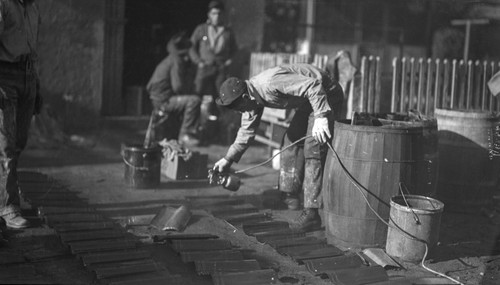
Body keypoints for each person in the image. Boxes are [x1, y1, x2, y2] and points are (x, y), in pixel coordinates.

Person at [212, 63, 344, 231]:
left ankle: (312, 213)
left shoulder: (270, 84)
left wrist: (321, 115)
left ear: (245, 98)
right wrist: (227, 159)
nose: (239, 112)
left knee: (313, 148)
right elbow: (246, 132)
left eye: (237, 108)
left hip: (326, 93)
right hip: (309, 98)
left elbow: (313, 85)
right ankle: (290, 196)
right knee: (291, 139)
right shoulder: (251, 99)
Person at [0, 0, 41, 230]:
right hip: (4, 76)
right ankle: (7, 206)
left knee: (19, 142)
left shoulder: (33, 7)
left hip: (27, 77)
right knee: (5, 145)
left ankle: (9, 193)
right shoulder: (4, 3)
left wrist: (37, 86)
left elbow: (33, 49)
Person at [146, 32, 201, 146]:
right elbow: (178, 86)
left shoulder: (170, 58)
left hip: (159, 99)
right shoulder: (176, 60)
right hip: (164, 101)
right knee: (194, 100)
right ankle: (185, 135)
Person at [189, 0, 238, 118]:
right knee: (197, 94)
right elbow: (191, 47)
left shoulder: (228, 32)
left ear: (223, 15)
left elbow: (235, 50)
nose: (217, 16)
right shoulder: (201, 29)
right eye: (214, 13)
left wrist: (229, 61)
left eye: (219, 13)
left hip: (220, 69)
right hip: (204, 68)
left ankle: (221, 125)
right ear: (209, 15)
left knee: (222, 96)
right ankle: (193, 123)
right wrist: (198, 62)